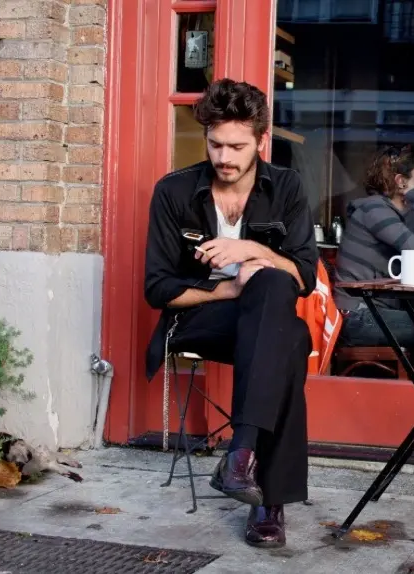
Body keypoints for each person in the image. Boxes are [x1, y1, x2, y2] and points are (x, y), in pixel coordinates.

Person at [143, 79, 318, 547]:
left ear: (261, 141)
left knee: (279, 297)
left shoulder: (286, 187)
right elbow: (157, 290)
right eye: (215, 144)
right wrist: (227, 289)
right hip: (203, 322)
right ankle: (263, 492)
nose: (224, 157)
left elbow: (306, 278)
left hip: (268, 322)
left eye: (237, 146)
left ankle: (243, 461)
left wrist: (251, 248)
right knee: (287, 335)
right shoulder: (175, 192)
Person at [334, 145, 414, 348]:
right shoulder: (374, 209)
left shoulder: (398, 214)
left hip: (378, 309)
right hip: (357, 315)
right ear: (401, 182)